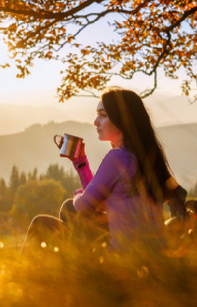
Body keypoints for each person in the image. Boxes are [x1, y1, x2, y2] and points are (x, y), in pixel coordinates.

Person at [22, 87, 187, 253]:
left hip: (122, 260)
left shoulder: (118, 157)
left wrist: (77, 196)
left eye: (103, 115)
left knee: (42, 221)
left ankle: (33, 276)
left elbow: (84, 205)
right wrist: (81, 164)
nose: (95, 121)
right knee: (69, 208)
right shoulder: (148, 155)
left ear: (122, 119)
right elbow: (96, 199)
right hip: (152, 254)